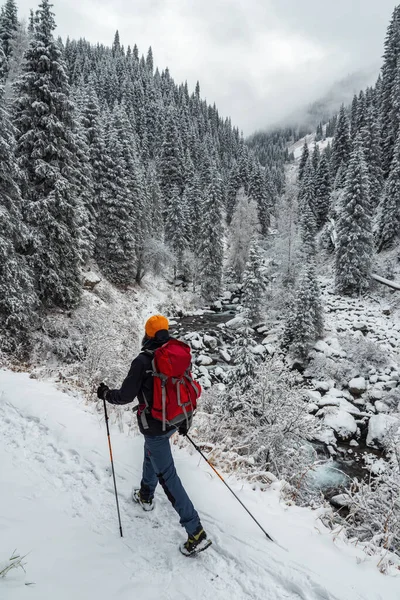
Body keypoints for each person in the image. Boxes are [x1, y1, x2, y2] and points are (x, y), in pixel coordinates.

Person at [97, 314, 211, 556]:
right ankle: (146, 495)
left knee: (168, 476)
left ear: (147, 334)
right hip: (177, 420)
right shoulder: (177, 352)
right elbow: (185, 386)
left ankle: (195, 531)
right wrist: (182, 421)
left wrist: (106, 394)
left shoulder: (142, 361)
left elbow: (126, 396)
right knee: (152, 453)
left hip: (156, 424)